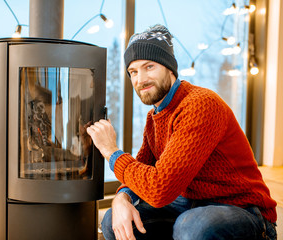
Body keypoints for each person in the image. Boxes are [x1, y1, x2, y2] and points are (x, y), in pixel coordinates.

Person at [86, 24, 277, 240]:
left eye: (149, 67)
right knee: (114, 220)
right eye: (133, 71)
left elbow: (160, 190)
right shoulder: (154, 117)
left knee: (193, 227)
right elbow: (143, 169)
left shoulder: (200, 105)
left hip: (240, 208)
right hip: (187, 204)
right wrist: (122, 197)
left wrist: (111, 152)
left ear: (170, 69)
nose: (140, 80)